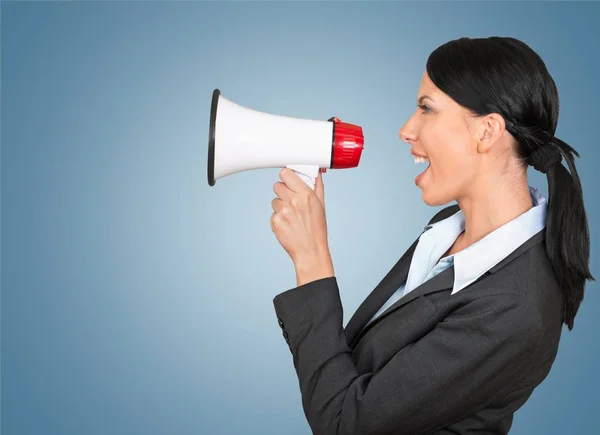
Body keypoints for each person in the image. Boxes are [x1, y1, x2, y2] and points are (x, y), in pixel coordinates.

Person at [269, 36, 594, 435]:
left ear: (488, 131)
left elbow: (345, 425)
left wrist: (312, 259)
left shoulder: (515, 307)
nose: (407, 129)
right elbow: (361, 368)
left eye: (426, 108)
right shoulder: (448, 228)